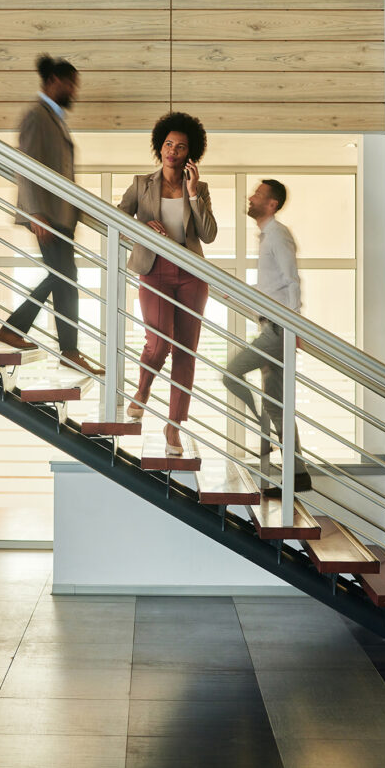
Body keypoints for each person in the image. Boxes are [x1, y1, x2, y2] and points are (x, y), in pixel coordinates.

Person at [0, 55, 104, 376]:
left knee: (65, 278)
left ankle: (60, 346)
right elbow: (26, 167)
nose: (74, 91)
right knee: (63, 277)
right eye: (70, 84)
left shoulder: (53, 118)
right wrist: (36, 212)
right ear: (53, 82)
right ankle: (23, 332)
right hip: (47, 215)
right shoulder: (36, 116)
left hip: (61, 216)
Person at [118, 112, 217, 454]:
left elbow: (209, 234)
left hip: (191, 276)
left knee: (186, 354)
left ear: (191, 154)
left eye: (180, 147)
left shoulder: (199, 189)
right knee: (159, 344)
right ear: (160, 147)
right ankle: (142, 390)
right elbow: (118, 218)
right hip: (154, 270)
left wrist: (192, 195)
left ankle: (174, 426)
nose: (172, 151)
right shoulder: (141, 184)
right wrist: (143, 226)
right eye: (167, 144)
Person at [223, 179, 312, 495]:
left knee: (231, 373)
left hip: (278, 330)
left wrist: (294, 326)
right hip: (271, 327)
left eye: (258, 195)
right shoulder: (267, 237)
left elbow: (291, 281)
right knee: (278, 407)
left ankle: (260, 428)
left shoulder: (278, 234)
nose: (251, 197)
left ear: (271, 203)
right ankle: (298, 474)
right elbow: (272, 288)